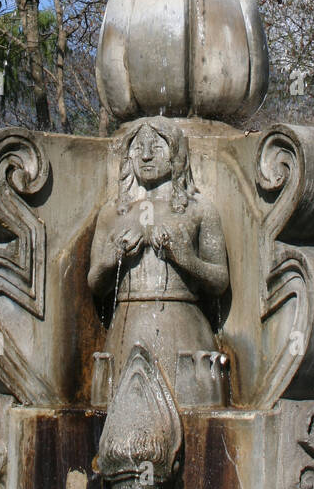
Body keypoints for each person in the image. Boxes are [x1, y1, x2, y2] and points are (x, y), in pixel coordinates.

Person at [88, 117, 229, 403]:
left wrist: (187, 259)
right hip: (126, 330)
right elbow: (95, 284)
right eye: (139, 147)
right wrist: (110, 259)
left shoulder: (199, 210)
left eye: (157, 146)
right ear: (129, 157)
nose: (147, 155)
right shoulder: (111, 213)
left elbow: (220, 281)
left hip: (186, 334)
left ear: (177, 153)